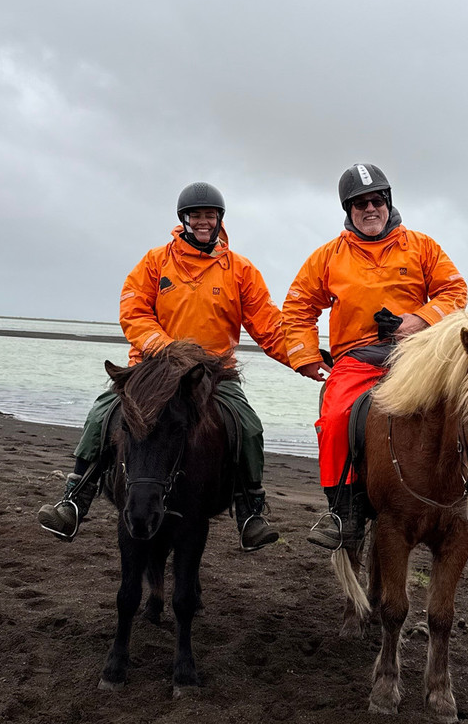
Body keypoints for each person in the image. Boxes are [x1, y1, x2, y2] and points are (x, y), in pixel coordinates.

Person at [38, 182, 289, 551]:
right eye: (195, 216)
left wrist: (306, 357)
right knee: (100, 415)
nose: (203, 222)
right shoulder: (156, 261)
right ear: (183, 220)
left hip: (210, 372)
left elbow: (268, 325)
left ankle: (249, 510)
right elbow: (133, 310)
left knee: (248, 427)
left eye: (210, 215)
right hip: (153, 368)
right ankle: (76, 497)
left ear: (220, 220)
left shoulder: (240, 270)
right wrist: (164, 347)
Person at [283, 163, 468, 550]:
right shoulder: (328, 257)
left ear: (388, 202)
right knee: (334, 418)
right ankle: (343, 511)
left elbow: (455, 293)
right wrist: (303, 355)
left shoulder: (422, 247)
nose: (370, 209)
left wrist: (415, 321)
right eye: (360, 204)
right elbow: (298, 305)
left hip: (418, 353)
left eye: (377, 200)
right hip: (358, 358)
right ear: (348, 210)